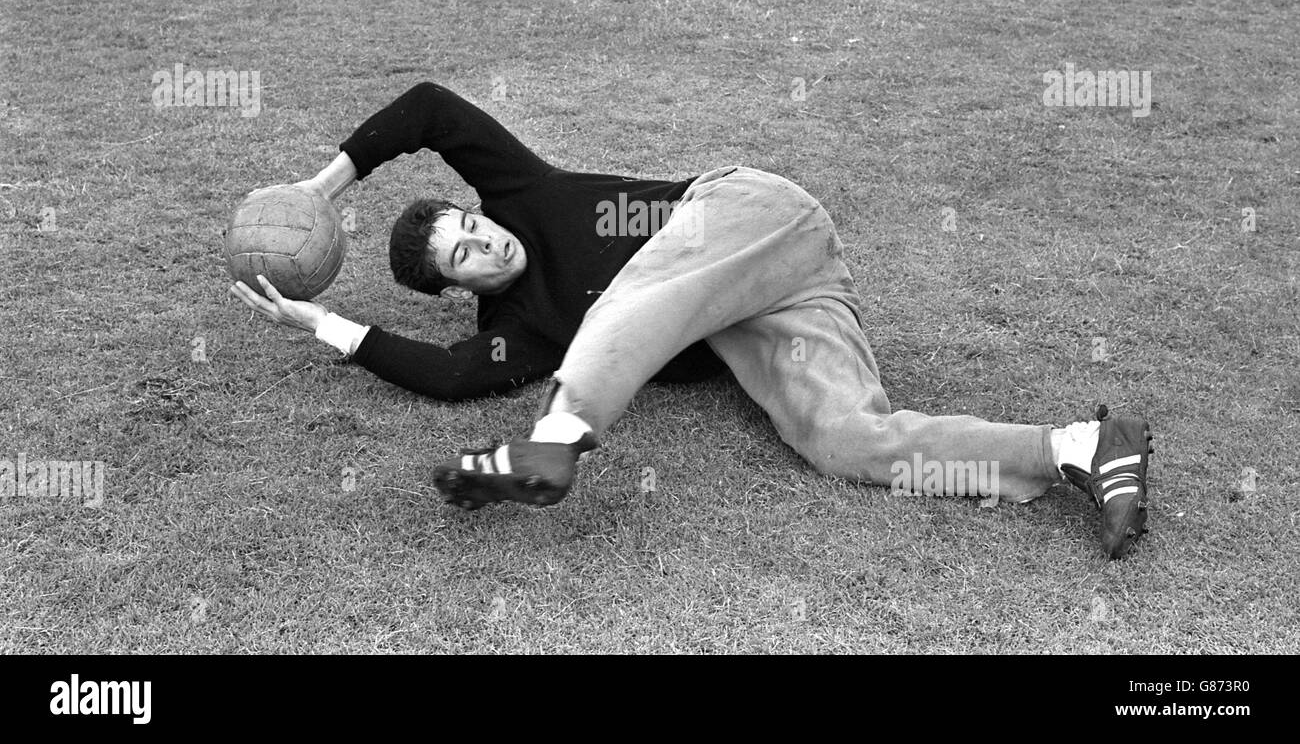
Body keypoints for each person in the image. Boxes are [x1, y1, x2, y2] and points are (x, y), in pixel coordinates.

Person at [230, 82, 1153, 559]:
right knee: (842, 438)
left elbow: (429, 108)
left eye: (473, 224)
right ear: (454, 288)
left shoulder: (531, 192)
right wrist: (324, 326)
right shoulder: (527, 330)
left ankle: (557, 444)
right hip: (774, 303)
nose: (487, 244)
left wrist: (322, 187)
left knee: (636, 293)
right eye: (462, 256)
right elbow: (450, 375)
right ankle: (1080, 446)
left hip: (753, 214)